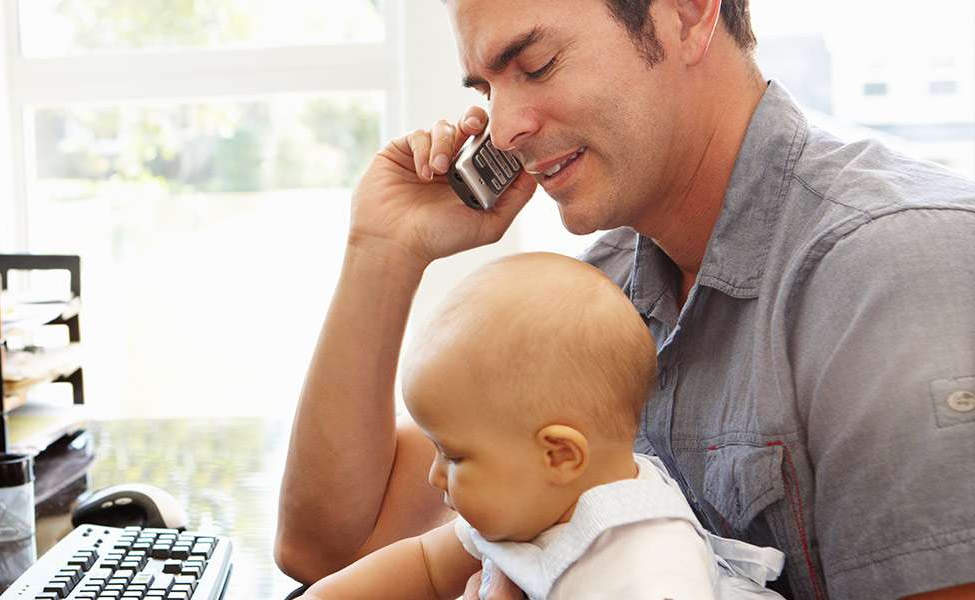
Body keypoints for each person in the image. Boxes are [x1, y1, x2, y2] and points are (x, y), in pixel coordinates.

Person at [273, 0, 975, 598]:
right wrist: (384, 252)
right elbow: (334, 547)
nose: (504, 128)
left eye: (537, 64)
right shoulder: (603, 288)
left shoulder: (896, 276)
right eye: (488, 89)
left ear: (688, 14)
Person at [299, 252, 785, 599]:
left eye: (455, 455)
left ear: (559, 455)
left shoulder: (644, 571)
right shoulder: (536, 500)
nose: (434, 476)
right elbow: (425, 565)